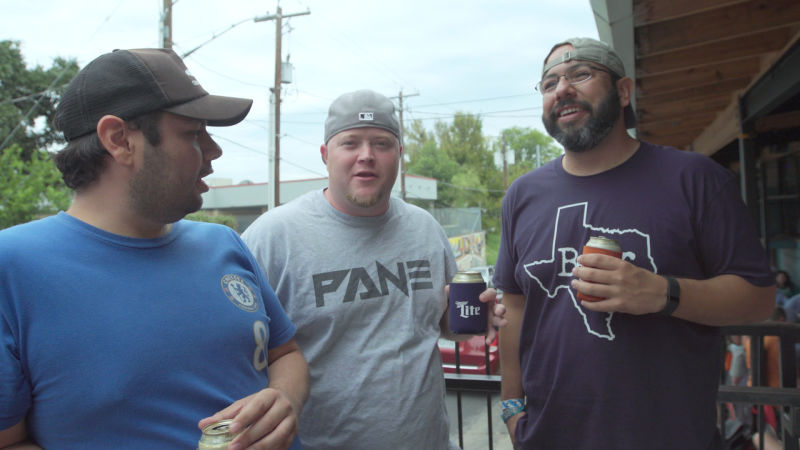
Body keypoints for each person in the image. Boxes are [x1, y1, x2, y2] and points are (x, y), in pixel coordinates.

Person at [0, 48, 308, 449]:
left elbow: (287, 354)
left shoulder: (224, 243)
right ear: (119, 140)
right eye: (194, 133)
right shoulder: (14, 267)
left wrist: (284, 397)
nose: (214, 151)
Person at [494, 37, 775, 449]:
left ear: (624, 91)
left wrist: (661, 292)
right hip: (545, 437)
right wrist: (511, 406)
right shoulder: (522, 195)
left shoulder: (694, 179)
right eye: (549, 82)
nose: (563, 89)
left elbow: (758, 299)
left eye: (581, 74)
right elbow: (514, 304)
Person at [241, 89, 507, 449]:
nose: (366, 156)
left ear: (398, 154)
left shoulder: (424, 228)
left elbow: (441, 324)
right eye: (350, 143)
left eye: (381, 144)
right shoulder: (272, 238)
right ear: (325, 155)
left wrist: (475, 318)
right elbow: (242, 354)